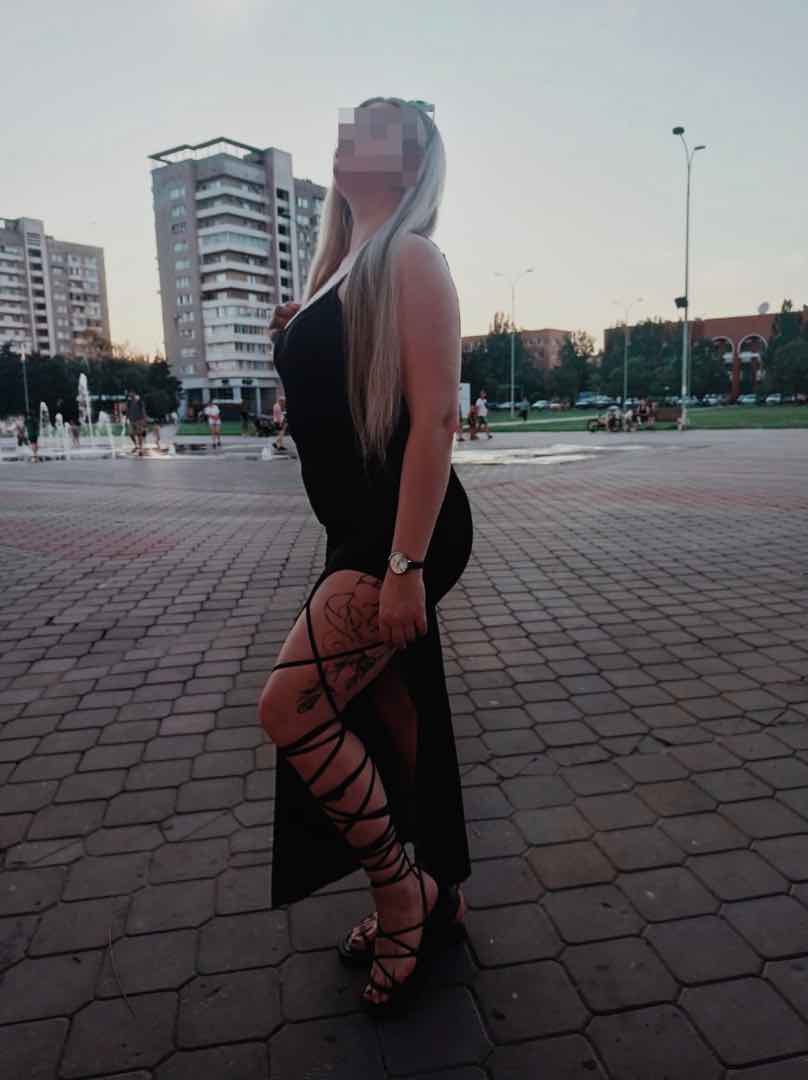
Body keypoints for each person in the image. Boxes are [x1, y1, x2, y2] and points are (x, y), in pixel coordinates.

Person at [258, 97, 472, 1017]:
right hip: (359, 531)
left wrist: (405, 568)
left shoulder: (412, 258)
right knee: (394, 716)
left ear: (412, 161)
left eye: (378, 127)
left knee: (291, 707)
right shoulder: (343, 268)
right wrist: (300, 335)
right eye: (352, 125)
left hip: (399, 536)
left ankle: (401, 895)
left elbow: (438, 419)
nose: (353, 137)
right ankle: (438, 892)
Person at [125, 391, 146, 456]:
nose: (130, 394)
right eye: (129, 394)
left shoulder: (139, 401)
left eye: (131, 393)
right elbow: (127, 411)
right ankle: (136, 445)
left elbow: (143, 410)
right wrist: (126, 419)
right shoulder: (129, 402)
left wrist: (144, 419)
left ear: (134, 394)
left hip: (139, 420)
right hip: (131, 420)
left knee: (139, 434)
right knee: (130, 433)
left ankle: (141, 449)